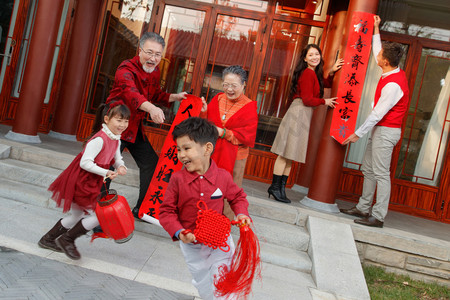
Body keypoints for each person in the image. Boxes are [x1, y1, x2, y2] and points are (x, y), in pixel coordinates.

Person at [159, 117, 251, 300]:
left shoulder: (223, 177)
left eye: (186, 148)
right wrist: (179, 232)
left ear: (208, 148)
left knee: (223, 284)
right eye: (178, 149)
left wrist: (241, 214)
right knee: (204, 284)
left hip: (220, 243)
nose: (181, 154)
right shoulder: (177, 180)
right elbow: (166, 212)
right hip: (192, 246)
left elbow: (237, 197)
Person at [105, 32, 186, 218]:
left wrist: (175, 97)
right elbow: (132, 94)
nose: (153, 59)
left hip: (134, 128)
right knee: (107, 168)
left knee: (151, 164)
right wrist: (151, 109)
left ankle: (141, 209)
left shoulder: (154, 71)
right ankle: (100, 211)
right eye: (149, 52)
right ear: (140, 50)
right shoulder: (125, 69)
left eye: (158, 54)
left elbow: (155, 94)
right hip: (115, 128)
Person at [340, 16, 409, 228]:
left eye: (379, 55)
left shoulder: (393, 85)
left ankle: (378, 216)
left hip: (386, 132)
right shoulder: (391, 70)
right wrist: (377, 28)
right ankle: (363, 207)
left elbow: (377, 114)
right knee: (368, 169)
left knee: (380, 173)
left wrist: (357, 133)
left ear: (385, 61)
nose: (376, 55)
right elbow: (376, 48)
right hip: (381, 130)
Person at [38, 101, 130, 260]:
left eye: (126, 121)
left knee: (77, 214)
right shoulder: (99, 139)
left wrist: (120, 166)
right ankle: (66, 239)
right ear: (107, 119)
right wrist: (106, 171)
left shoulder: (116, 138)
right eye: (119, 120)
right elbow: (85, 163)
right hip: (81, 180)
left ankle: (48, 239)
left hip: (91, 181)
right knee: (98, 216)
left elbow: (116, 158)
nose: (122, 124)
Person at [268, 44, 344, 203]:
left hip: (302, 113)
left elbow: (325, 83)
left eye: (317, 54)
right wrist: (325, 101)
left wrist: (332, 71)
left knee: (291, 154)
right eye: (310, 55)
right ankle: (275, 187)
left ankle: (280, 188)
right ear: (305, 58)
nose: (315, 57)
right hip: (299, 112)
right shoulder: (308, 74)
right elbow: (308, 99)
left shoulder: (313, 74)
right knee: (286, 153)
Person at [201, 65, 258, 188]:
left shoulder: (249, 107)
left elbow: (246, 137)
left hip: (235, 156)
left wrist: (223, 132)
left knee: (228, 190)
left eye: (234, 86)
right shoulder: (217, 99)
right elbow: (206, 124)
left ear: (243, 85)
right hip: (212, 151)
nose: (229, 89)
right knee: (206, 187)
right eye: (226, 84)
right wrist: (204, 111)